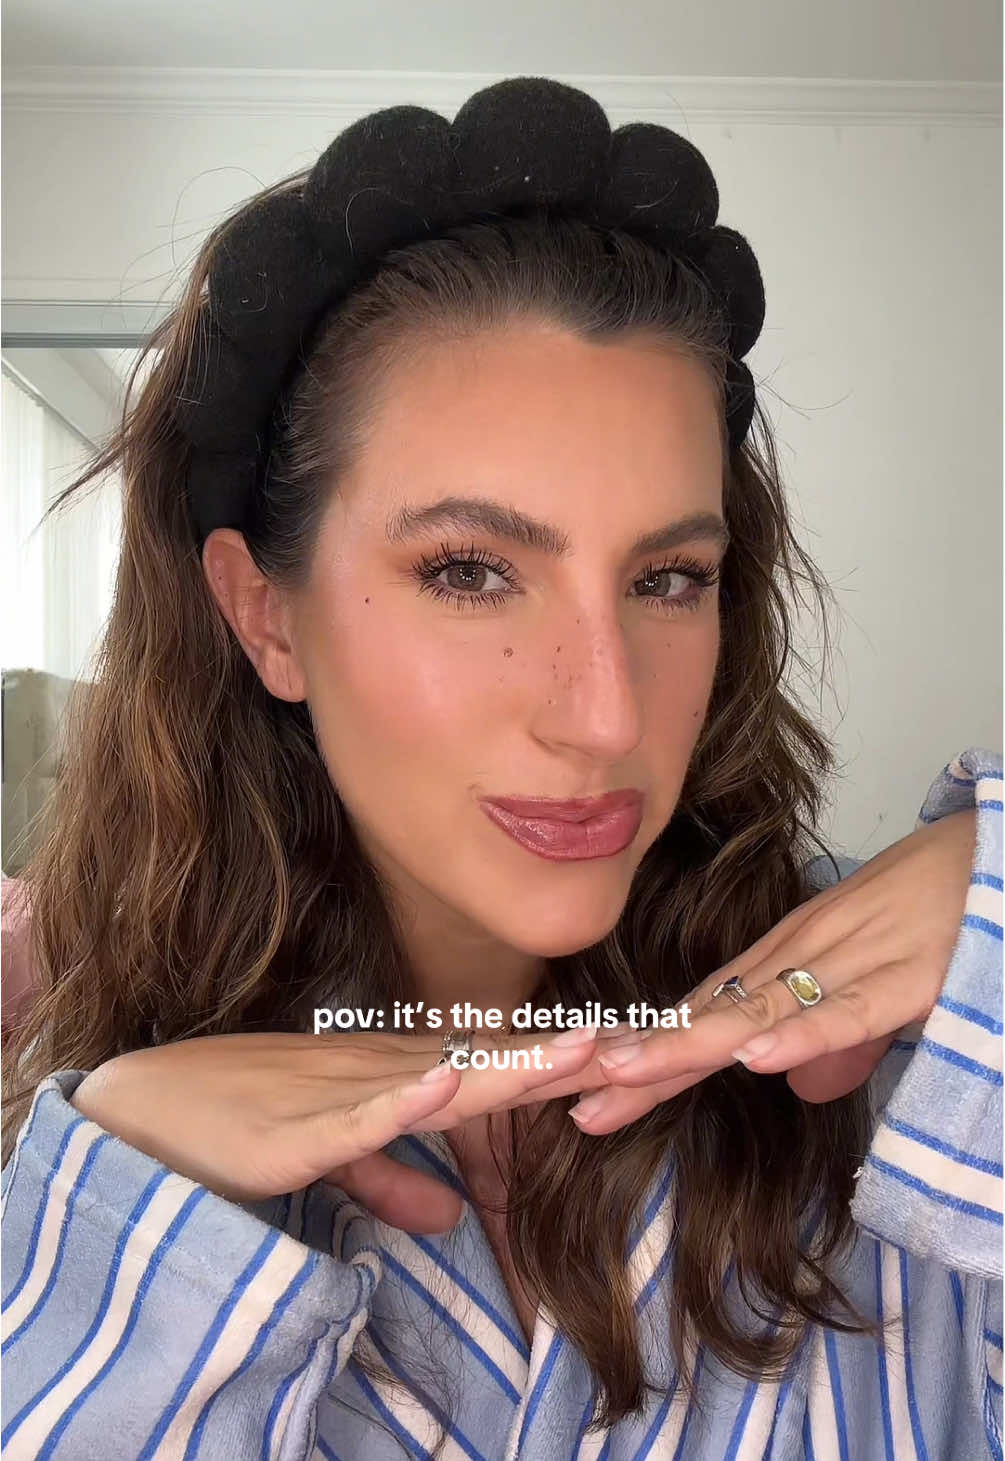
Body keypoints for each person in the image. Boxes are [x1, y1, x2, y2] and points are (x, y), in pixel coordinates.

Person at [1, 77, 1000, 1461]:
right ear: (266, 615)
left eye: (667, 577)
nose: (603, 714)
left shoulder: (901, 1073)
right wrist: (134, 1226)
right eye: (469, 572)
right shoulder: (68, 1190)